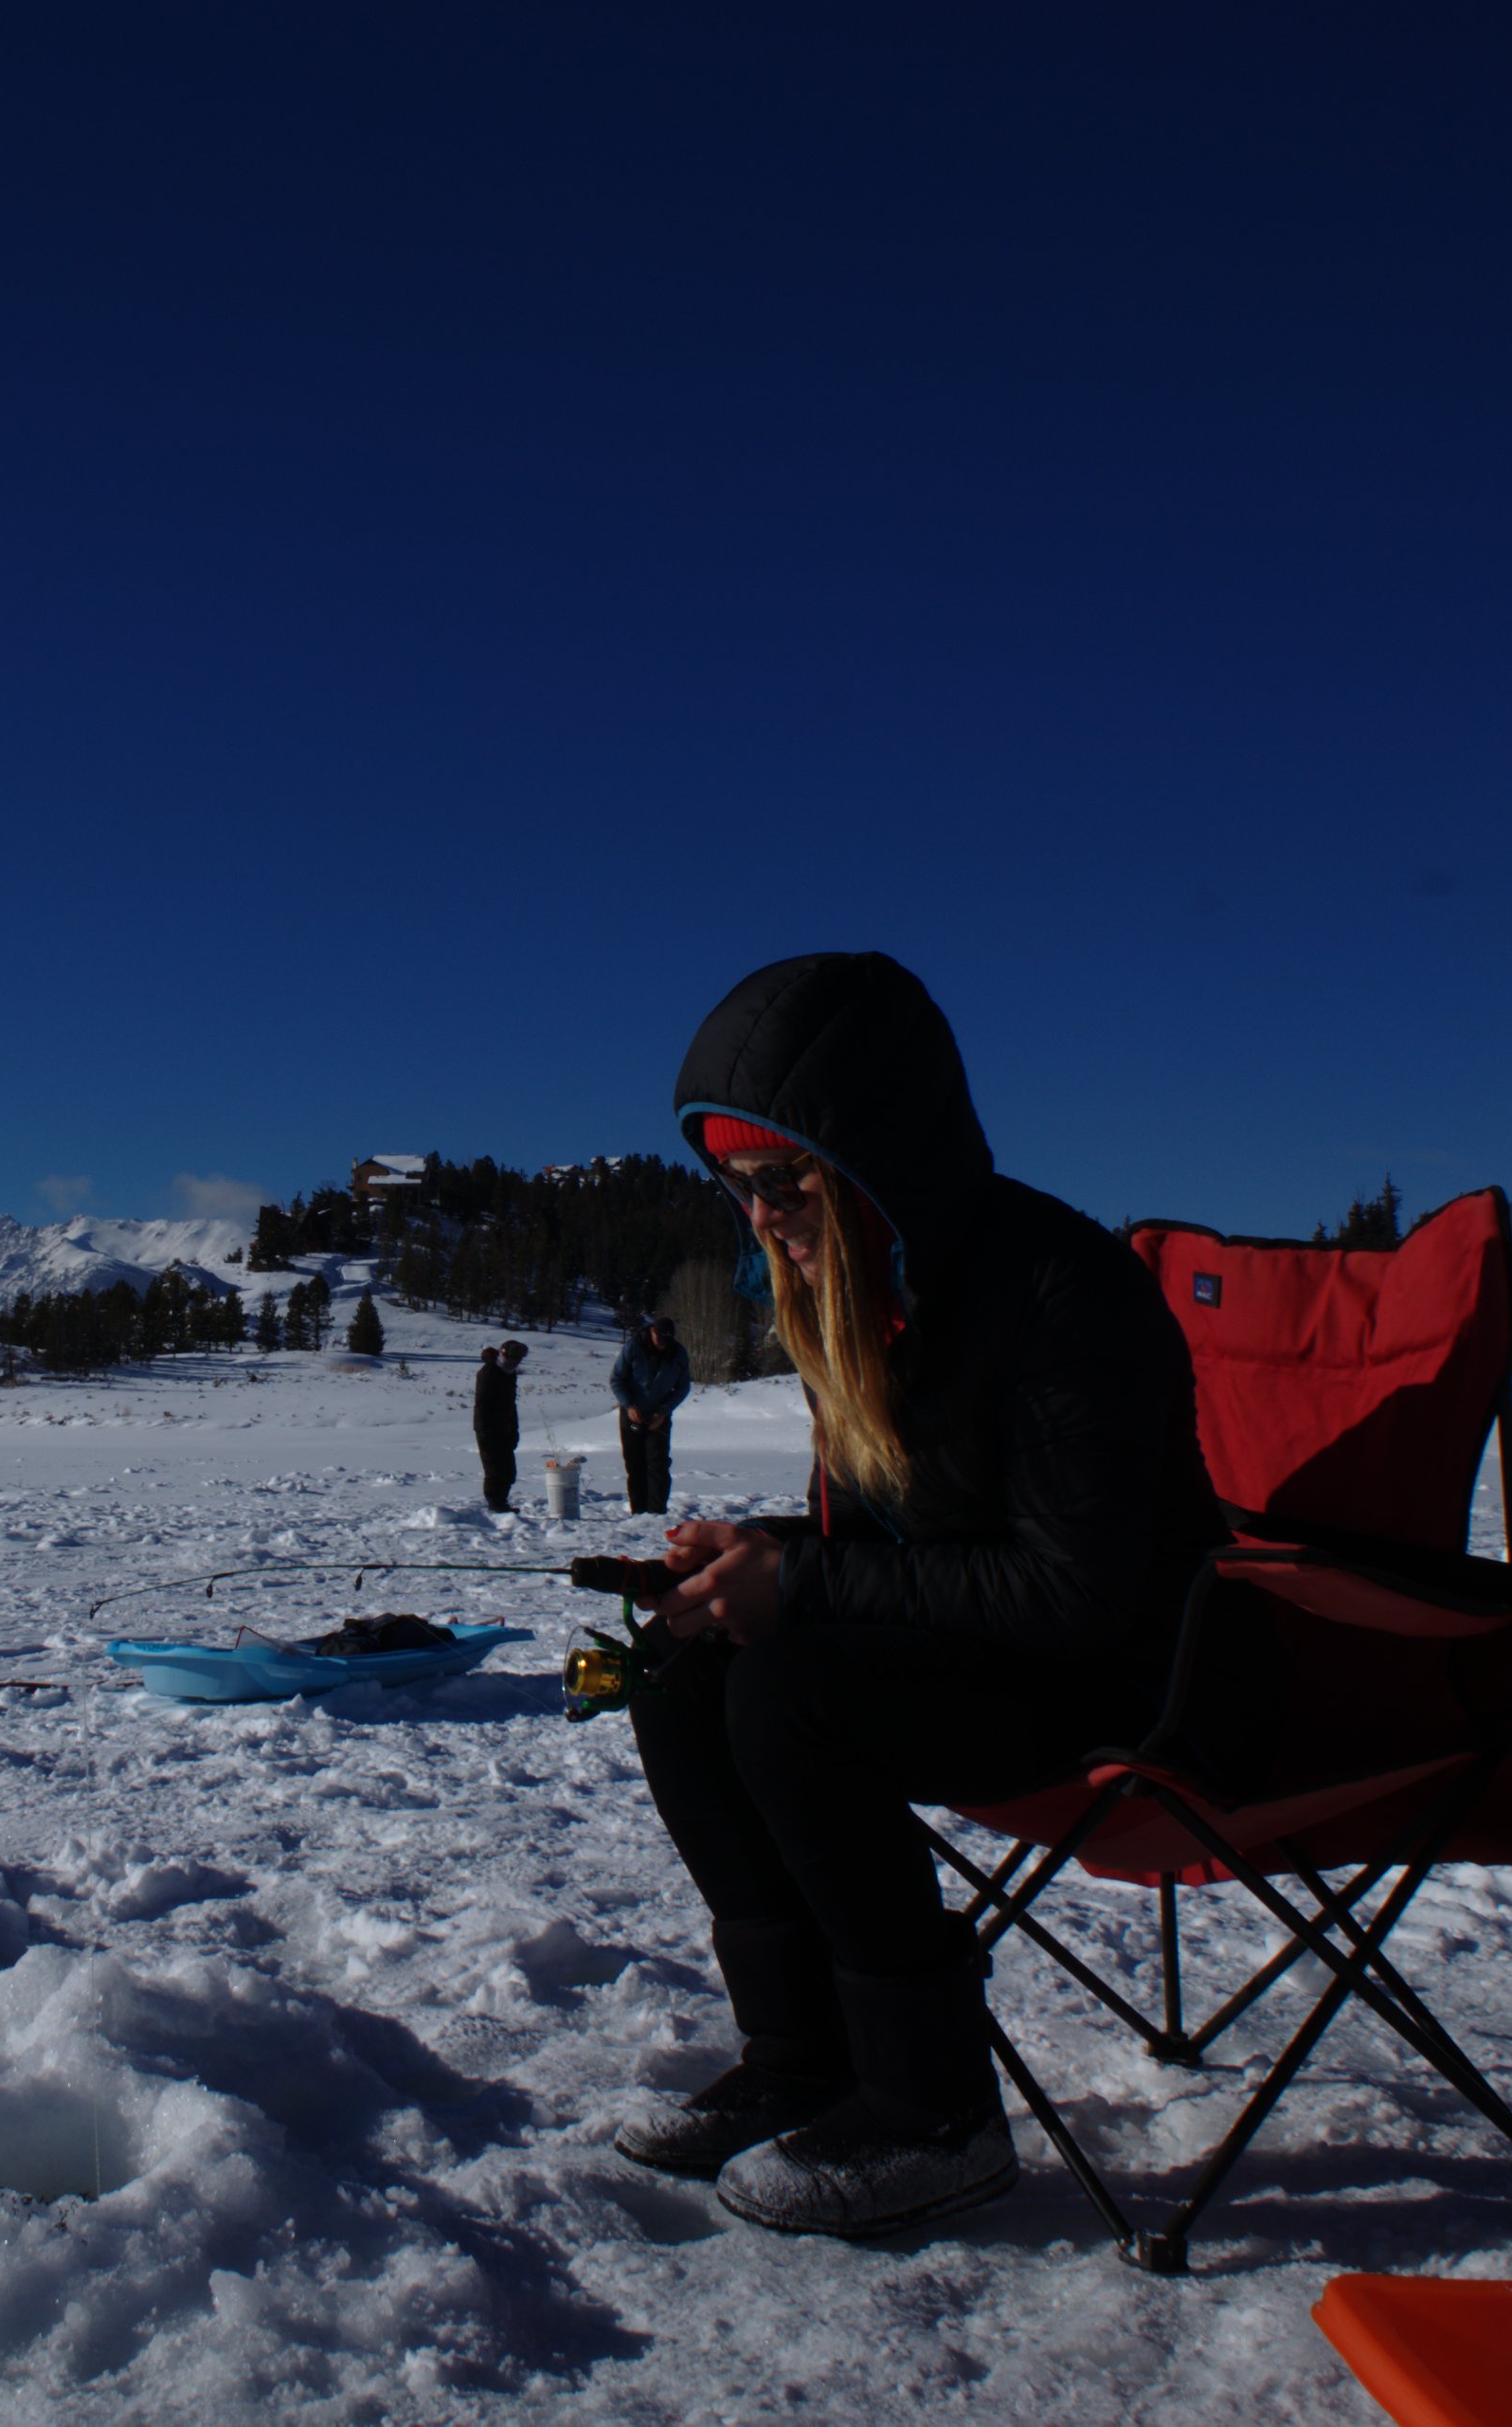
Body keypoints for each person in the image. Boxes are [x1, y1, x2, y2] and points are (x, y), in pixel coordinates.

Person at [602, 951, 1227, 2240]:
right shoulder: (871, 1291)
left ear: (875, 1155)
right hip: (983, 1647)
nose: (762, 1217)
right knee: (676, 1668)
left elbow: (1074, 1589)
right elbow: (906, 1532)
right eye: (738, 1188)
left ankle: (934, 2108)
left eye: (786, 1182)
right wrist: (753, 1556)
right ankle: (802, 2056)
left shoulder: (1057, 1287)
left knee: (792, 1694)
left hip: (1128, 1675)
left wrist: (802, 1580)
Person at [608, 1315, 693, 1513]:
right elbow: (616, 1380)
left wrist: (664, 1412)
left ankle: (657, 1513)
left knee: (658, 1466)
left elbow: (683, 1387)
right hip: (632, 1414)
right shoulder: (633, 1347)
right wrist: (629, 1406)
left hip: (659, 1416)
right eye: (660, 1340)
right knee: (635, 1465)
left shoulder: (678, 1353)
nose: (663, 1345)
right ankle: (638, 1512)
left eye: (667, 1341)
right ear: (652, 1332)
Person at [471, 1339, 524, 1512]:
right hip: (488, 1428)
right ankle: (496, 1504)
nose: (515, 1362)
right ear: (503, 1354)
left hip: (505, 1427)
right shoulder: (489, 1372)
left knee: (508, 1470)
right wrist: (489, 1429)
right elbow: (483, 1405)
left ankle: (501, 1502)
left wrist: (513, 1429)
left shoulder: (509, 1373)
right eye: (512, 1358)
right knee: (495, 1468)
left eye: (518, 1359)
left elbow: (511, 1404)